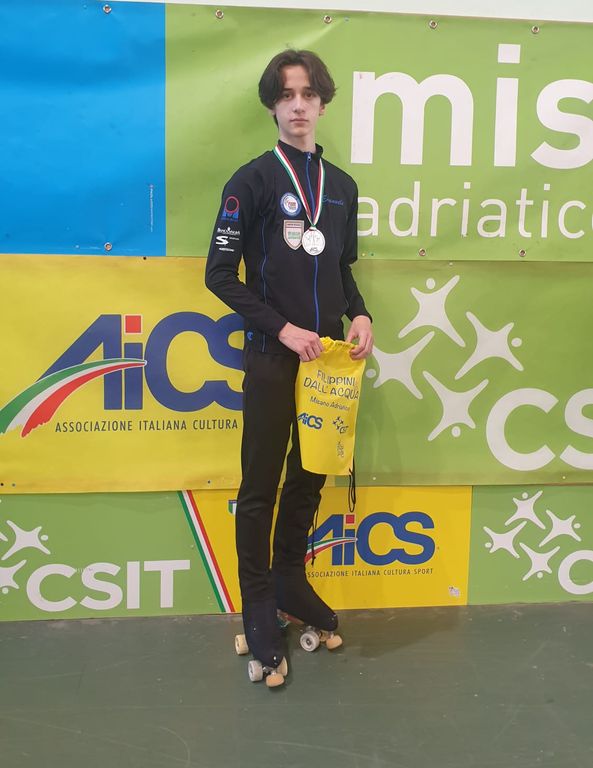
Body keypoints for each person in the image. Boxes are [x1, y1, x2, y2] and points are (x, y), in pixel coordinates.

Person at [205, 49, 373, 685]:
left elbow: (341, 269)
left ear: (322, 103)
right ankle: (258, 604)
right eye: (286, 95)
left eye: (308, 94)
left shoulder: (343, 188)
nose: (298, 105)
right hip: (275, 357)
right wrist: (281, 327)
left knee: (309, 478)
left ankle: (289, 581)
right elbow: (220, 275)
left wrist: (360, 315)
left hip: (328, 364)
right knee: (260, 486)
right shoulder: (250, 182)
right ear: (272, 106)